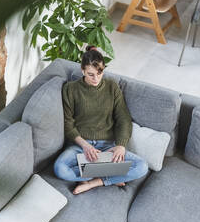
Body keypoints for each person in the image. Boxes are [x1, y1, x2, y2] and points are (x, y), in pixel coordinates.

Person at [54, 46, 148, 195]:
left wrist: (121, 146)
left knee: (142, 166)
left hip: (107, 147)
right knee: (59, 168)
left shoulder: (112, 87)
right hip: (81, 147)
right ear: (83, 70)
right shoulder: (70, 89)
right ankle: (112, 176)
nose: (96, 78)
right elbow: (68, 123)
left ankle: (94, 182)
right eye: (91, 74)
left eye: (99, 73)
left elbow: (123, 118)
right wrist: (86, 146)